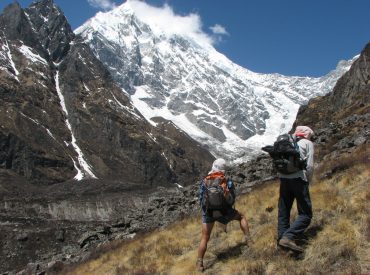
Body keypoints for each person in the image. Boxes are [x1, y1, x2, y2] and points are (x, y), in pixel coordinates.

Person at [196, 158, 252, 272]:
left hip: (209, 213)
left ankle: (199, 263)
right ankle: (248, 240)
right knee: (241, 217)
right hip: (225, 212)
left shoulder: (205, 181)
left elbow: (201, 199)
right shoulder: (226, 180)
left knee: (205, 238)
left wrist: (206, 212)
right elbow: (232, 200)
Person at [277, 126, 315, 253]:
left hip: (284, 179)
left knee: (284, 210)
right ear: (307, 134)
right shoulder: (307, 143)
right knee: (306, 214)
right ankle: (288, 237)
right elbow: (309, 166)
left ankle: (282, 241)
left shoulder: (288, 143)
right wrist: (307, 180)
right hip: (298, 179)